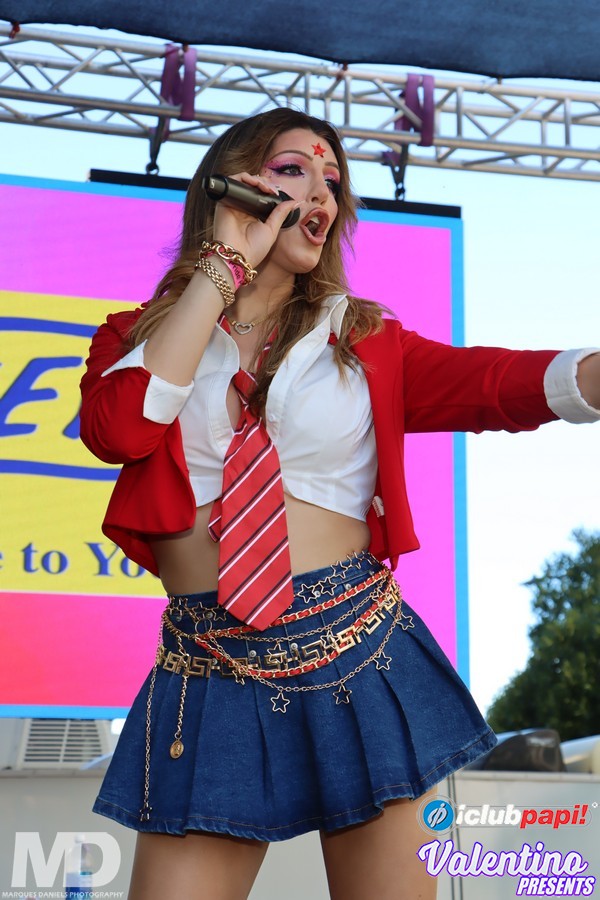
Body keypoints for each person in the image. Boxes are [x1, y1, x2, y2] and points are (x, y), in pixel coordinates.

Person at [79, 107, 600, 900]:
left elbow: (494, 385)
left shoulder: (365, 339)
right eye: (293, 171)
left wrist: (590, 375)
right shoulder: (132, 340)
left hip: (358, 648)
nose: (322, 191)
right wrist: (220, 269)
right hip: (209, 664)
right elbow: (119, 432)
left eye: (333, 180)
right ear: (230, 186)